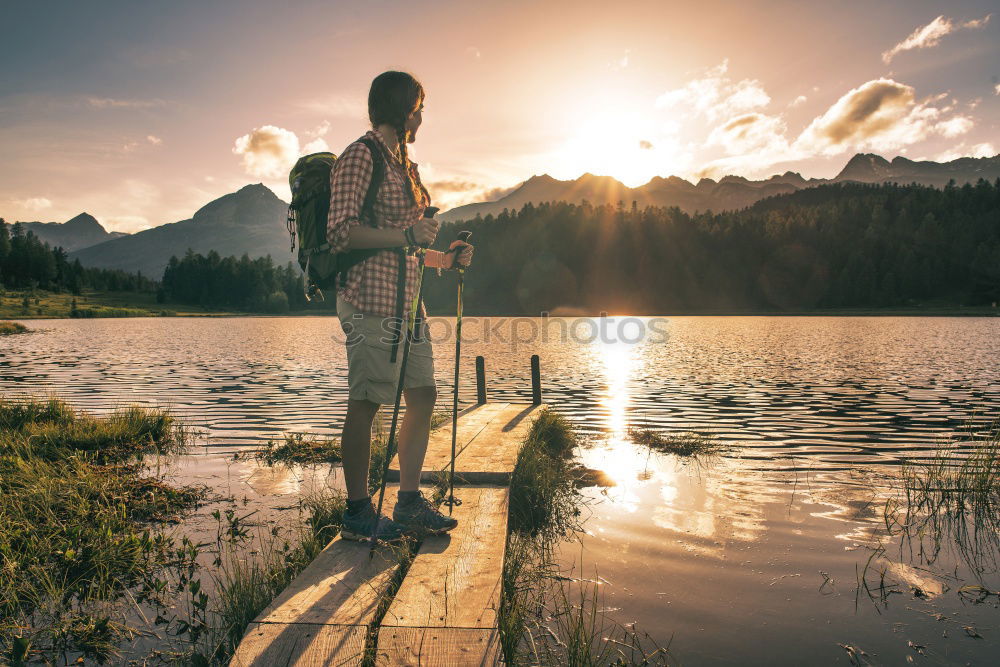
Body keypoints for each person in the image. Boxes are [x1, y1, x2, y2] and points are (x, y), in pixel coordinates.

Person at [327, 71, 473, 541]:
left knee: (423, 395)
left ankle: (407, 503)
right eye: (420, 109)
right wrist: (407, 235)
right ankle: (356, 513)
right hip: (370, 298)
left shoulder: (405, 166)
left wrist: (444, 259)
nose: (422, 118)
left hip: (409, 304)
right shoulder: (360, 155)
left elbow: (407, 245)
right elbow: (341, 233)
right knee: (367, 402)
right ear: (403, 108)